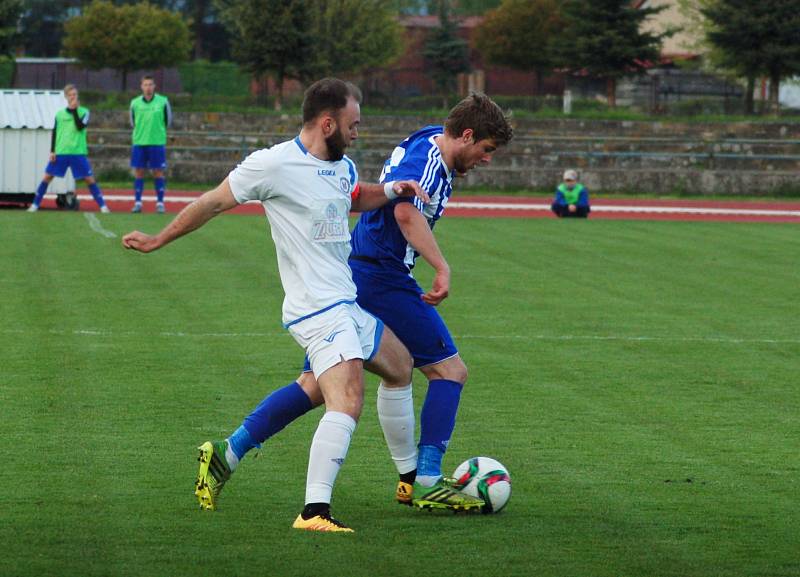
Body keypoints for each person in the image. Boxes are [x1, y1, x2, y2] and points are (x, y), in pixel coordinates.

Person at [122, 78, 430, 533]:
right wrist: (158, 239)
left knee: (398, 365)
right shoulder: (272, 165)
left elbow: (353, 195)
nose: (357, 132)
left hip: (344, 300)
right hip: (317, 307)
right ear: (328, 123)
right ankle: (314, 512)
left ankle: (406, 482)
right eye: (352, 124)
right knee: (345, 399)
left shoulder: (340, 165)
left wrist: (391, 190)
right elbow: (211, 203)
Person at [215, 93, 514, 512]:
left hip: (362, 273)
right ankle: (424, 479)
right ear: (466, 135)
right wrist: (441, 267)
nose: (486, 159)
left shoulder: (432, 143)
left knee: (318, 385)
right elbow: (405, 214)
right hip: (382, 275)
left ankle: (228, 452)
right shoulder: (430, 162)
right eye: (486, 150)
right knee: (450, 371)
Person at [27, 84, 109, 213]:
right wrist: (52, 151)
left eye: (75, 95)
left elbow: (80, 126)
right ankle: (34, 205)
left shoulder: (84, 112)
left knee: (89, 179)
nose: (73, 97)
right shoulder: (59, 114)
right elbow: (55, 132)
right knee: (47, 177)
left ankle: (103, 207)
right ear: (66, 97)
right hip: (61, 152)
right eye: (70, 95)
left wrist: (75, 110)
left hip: (78, 152)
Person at [129, 75, 173, 214]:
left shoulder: (163, 101)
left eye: (150, 84)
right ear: (141, 86)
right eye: (145, 85)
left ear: (154, 86)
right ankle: (138, 203)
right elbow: (132, 122)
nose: (148, 87)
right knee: (139, 172)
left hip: (157, 143)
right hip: (139, 143)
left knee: (158, 172)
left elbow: (168, 121)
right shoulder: (135, 103)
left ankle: (160, 203)